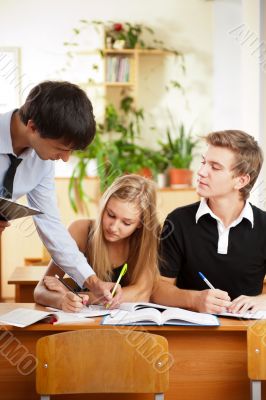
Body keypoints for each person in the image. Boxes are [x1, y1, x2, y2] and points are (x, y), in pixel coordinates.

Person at [0, 80, 121, 304]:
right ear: (33, 127)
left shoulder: (42, 160)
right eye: (61, 149)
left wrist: (92, 281)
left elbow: (51, 225)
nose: (65, 159)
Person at [152, 130, 266, 315]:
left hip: (248, 336)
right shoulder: (177, 221)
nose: (202, 172)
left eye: (215, 167)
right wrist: (195, 300)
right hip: (191, 333)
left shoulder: (264, 226)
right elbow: (158, 290)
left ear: (241, 180)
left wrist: (263, 301)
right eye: (204, 162)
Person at [34, 174, 160, 312]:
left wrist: (75, 294)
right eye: (110, 215)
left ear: (140, 224)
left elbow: (141, 294)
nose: (113, 227)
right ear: (103, 206)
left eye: (126, 222)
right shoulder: (80, 230)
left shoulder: (146, 243)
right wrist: (62, 300)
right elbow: (40, 291)